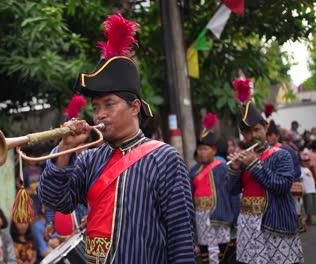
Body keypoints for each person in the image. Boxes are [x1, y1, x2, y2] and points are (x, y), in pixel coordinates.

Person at [38, 14, 195, 263]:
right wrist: (65, 148)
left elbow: (181, 239)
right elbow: (56, 200)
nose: (100, 114)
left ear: (134, 107)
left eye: (109, 104)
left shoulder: (165, 158)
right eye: (96, 106)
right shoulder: (89, 159)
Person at [227, 78, 304, 263]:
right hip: (248, 224)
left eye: (256, 129)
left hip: (274, 224)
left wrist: (254, 164)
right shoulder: (243, 156)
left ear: (266, 128)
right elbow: (232, 190)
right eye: (246, 132)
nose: (252, 135)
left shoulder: (281, 155)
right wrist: (236, 170)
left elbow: (282, 186)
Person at [189, 113, 233, 264]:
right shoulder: (193, 171)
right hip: (200, 216)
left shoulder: (222, 168)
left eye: (205, 149)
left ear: (213, 150)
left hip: (218, 215)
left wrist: (234, 216)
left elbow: (231, 192)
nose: (202, 152)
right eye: (200, 149)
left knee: (221, 250)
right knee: (205, 250)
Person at [301, 153, 316, 225]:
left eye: (308, 160)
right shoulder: (301, 169)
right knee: (308, 205)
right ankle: (308, 218)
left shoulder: (308, 169)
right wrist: (303, 189)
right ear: (302, 162)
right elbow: (301, 180)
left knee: (313, 204)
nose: (307, 162)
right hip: (307, 190)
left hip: (312, 189)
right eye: (305, 161)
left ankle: (309, 218)